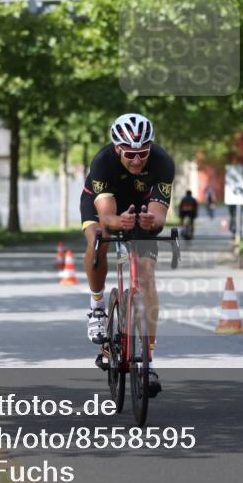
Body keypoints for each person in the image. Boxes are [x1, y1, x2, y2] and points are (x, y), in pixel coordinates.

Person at [80, 113, 173, 397]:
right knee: (99, 239)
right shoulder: (102, 162)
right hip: (104, 205)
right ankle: (97, 306)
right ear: (118, 149)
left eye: (142, 152)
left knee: (146, 273)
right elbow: (107, 216)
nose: (137, 160)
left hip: (140, 205)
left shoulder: (163, 163)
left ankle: (148, 360)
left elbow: (159, 216)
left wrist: (151, 223)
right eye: (130, 153)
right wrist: (116, 222)